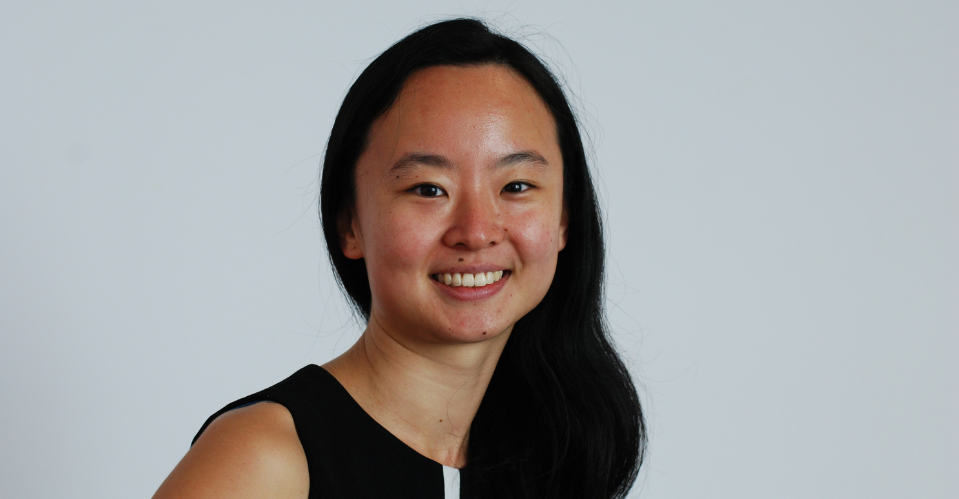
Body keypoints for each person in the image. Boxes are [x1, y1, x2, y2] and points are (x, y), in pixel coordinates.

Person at [153, 18, 644, 499]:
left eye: (516, 186)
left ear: (564, 218)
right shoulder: (268, 456)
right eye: (428, 189)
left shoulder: (558, 454)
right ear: (350, 224)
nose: (476, 232)